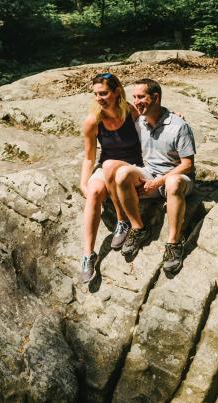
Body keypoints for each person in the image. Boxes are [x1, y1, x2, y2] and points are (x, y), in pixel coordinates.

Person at [114, 78, 196, 276]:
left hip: (178, 177)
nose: (136, 101)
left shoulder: (179, 126)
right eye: (134, 97)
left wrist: (158, 181)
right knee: (122, 174)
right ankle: (138, 228)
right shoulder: (139, 121)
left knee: (173, 182)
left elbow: (187, 164)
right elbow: (115, 106)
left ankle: (174, 244)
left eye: (141, 97)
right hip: (149, 173)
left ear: (156, 97)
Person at [80, 73, 143, 283]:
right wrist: (83, 182)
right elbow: (89, 157)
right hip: (107, 168)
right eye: (96, 94)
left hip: (132, 166)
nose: (99, 98)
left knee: (110, 167)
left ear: (116, 92)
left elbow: (155, 119)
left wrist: (176, 116)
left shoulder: (131, 111)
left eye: (104, 93)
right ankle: (88, 255)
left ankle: (122, 221)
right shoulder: (93, 121)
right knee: (95, 191)